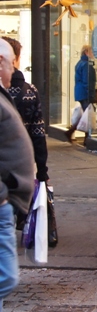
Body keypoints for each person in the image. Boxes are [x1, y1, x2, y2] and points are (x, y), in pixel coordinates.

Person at [0, 38, 35, 310]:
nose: (14, 70)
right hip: (2, 201)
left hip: (7, 202)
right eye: (12, 64)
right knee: (7, 277)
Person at [1, 37, 49, 183]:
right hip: (22, 165)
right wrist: (42, 172)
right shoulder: (30, 91)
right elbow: (38, 135)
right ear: (16, 59)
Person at [64, 45, 97, 142]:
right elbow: (88, 81)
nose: (93, 54)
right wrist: (91, 94)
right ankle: (86, 138)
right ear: (86, 52)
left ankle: (73, 132)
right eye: (92, 51)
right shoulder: (87, 65)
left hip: (80, 92)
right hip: (84, 92)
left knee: (85, 114)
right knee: (88, 114)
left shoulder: (80, 63)